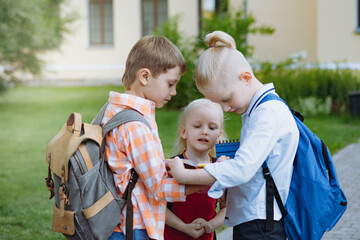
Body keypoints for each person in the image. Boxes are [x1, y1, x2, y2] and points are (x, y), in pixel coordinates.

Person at [168, 30, 300, 240]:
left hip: (261, 225)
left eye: (227, 99)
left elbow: (243, 168)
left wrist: (185, 175)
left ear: (246, 78)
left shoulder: (267, 113)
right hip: (254, 221)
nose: (226, 109)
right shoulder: (256, 111)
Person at [102, 35, 204, 240]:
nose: (174, 92)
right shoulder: (136, 125)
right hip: (134, 227)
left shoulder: (113, 108)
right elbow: (159, 187)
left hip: (116, 223)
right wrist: (211, 179)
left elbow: (129, 165)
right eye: (170, 84)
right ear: (145, 77)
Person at [164, 99, 227, 240]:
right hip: (173, 235)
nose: (204, 132)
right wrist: (184, 227)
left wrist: (210, 225)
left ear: (218, 135)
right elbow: (159, 206)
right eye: (197, 126)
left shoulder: (219, 168)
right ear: (184, 132)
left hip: (207, 236)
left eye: (211, 128)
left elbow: (226, 208)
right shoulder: (173, 165)